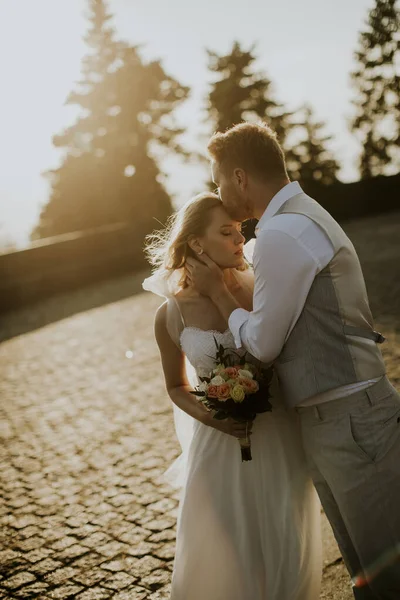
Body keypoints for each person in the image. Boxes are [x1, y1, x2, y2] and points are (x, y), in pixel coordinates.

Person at [185, 121, 400, 600]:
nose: (217, 189)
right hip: (336, 419)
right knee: (366, 575)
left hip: (350, 422)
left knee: (385, 574)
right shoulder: (302, 216)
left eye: (219, 177)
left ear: (240, 178)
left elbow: (263, 344)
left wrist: (221, 295)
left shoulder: (283, 232)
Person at [143, 192, 322, 600]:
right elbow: (176, 386)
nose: (240, 240)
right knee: (227, 553)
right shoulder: (170, 314)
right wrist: (213, 417)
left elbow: (268, 348)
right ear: (196, 244)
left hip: (279, 436)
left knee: (284, 541)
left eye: (239, 230)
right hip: (217, 448)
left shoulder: (261, 288)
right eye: (226, 232)